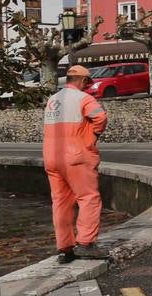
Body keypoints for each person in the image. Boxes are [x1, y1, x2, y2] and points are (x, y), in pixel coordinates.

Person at [43, 65, 109, 262]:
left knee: (61, 202)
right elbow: (100, 117)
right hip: (76, 157)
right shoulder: (84, 99)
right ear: (82, 81)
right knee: (88, 198)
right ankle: (86, 243)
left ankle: (65, 247)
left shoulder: (53, 100)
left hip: (52, 157)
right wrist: (92, 136)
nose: (87, 86)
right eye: (87, 82)